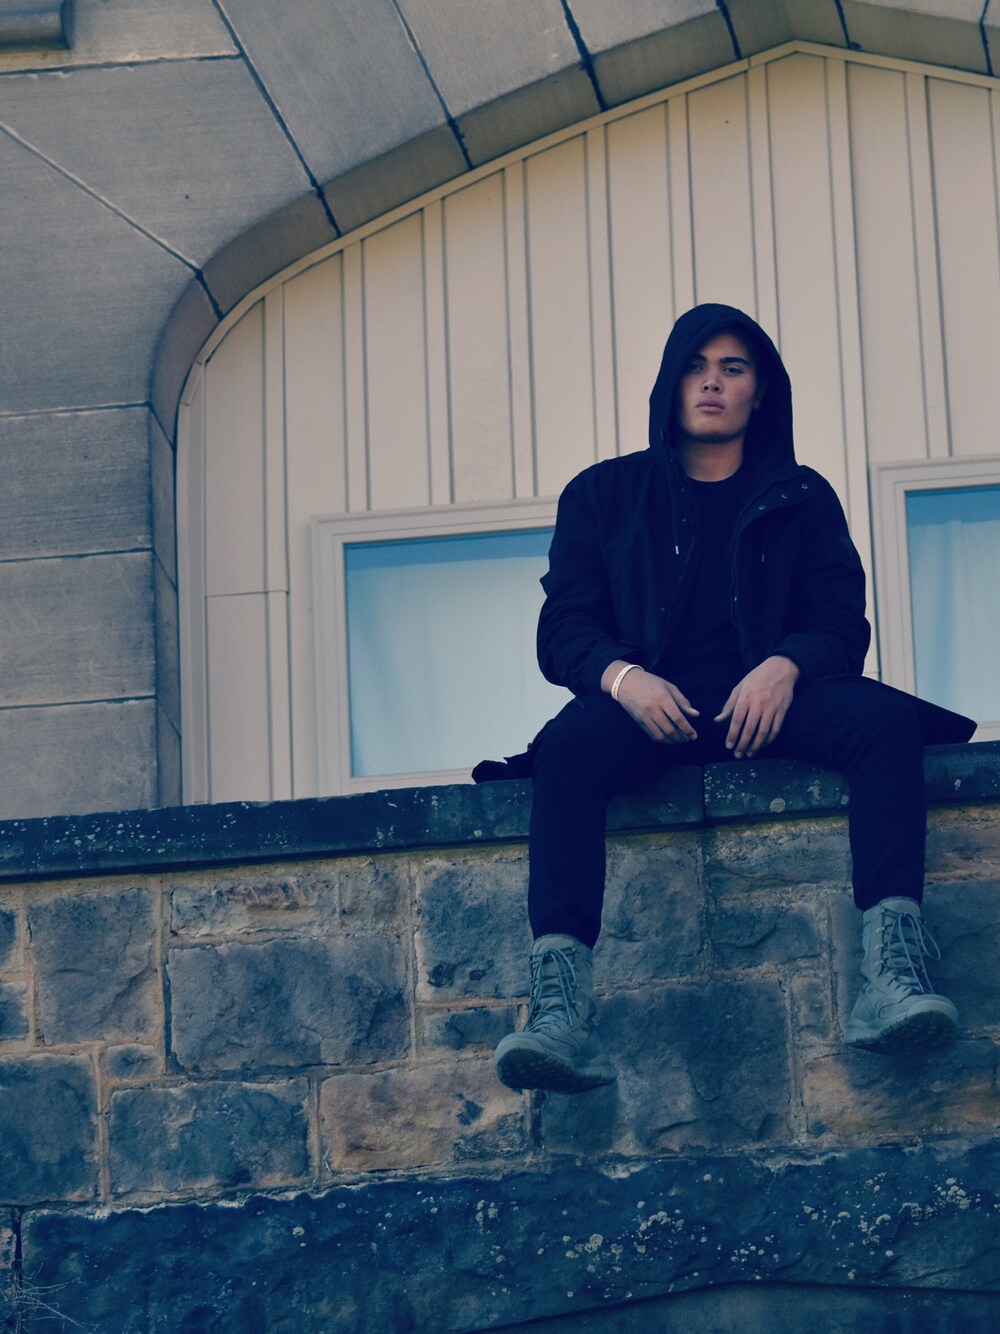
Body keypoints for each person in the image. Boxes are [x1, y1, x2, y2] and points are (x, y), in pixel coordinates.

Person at [481, 303, 976, 1095]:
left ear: (759, 391)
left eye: (732, 368)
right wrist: (624, 679)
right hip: (650, 710)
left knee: (885, 721)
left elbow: (840, 622)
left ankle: (892, 980)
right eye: (696, 366)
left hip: (767, 706)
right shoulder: (603, 495)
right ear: (671, 383)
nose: (712, 382)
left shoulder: (802, 496)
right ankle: (560, 1015)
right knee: (569, 746)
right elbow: (565, 628)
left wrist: (786, 664)